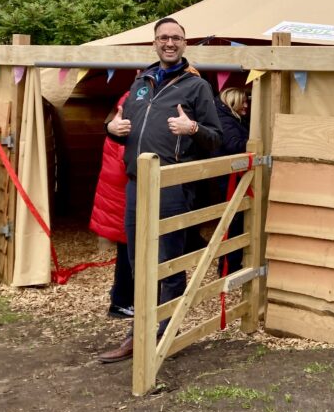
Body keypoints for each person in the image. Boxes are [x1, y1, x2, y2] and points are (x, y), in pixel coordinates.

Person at [97, 18, 222, 363]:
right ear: (154, 42)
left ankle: (166, 332)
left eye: (176, 38)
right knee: (138, 263)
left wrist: (192, 128)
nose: (170, 43)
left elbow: (216, 139)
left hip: (172, 186)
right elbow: (123, 128)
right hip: (136, 185)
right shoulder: (141, 82)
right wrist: (111, 130)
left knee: (168, 261)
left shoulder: (197, 87)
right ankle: (138, 334)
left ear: (184, 44)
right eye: (164, 37)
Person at [89, 91, 133, 319]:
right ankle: (121, 302)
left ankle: (121, 295)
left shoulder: (130, 99)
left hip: (120, 186)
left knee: (128, 246)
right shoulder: (134, 101)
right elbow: (125, 150)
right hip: (123, 188)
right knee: (128, 247)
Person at [214, 87, 250, 274]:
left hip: (234, 177)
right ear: (233, 102)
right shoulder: (226, 121)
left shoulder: (231, 118)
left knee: (235, 221)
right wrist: (255, 144)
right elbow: (234, 145)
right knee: (233, 222)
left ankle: (231, 265)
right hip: (229, 179)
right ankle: (228, 267)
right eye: (243, 102)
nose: (246, 106)